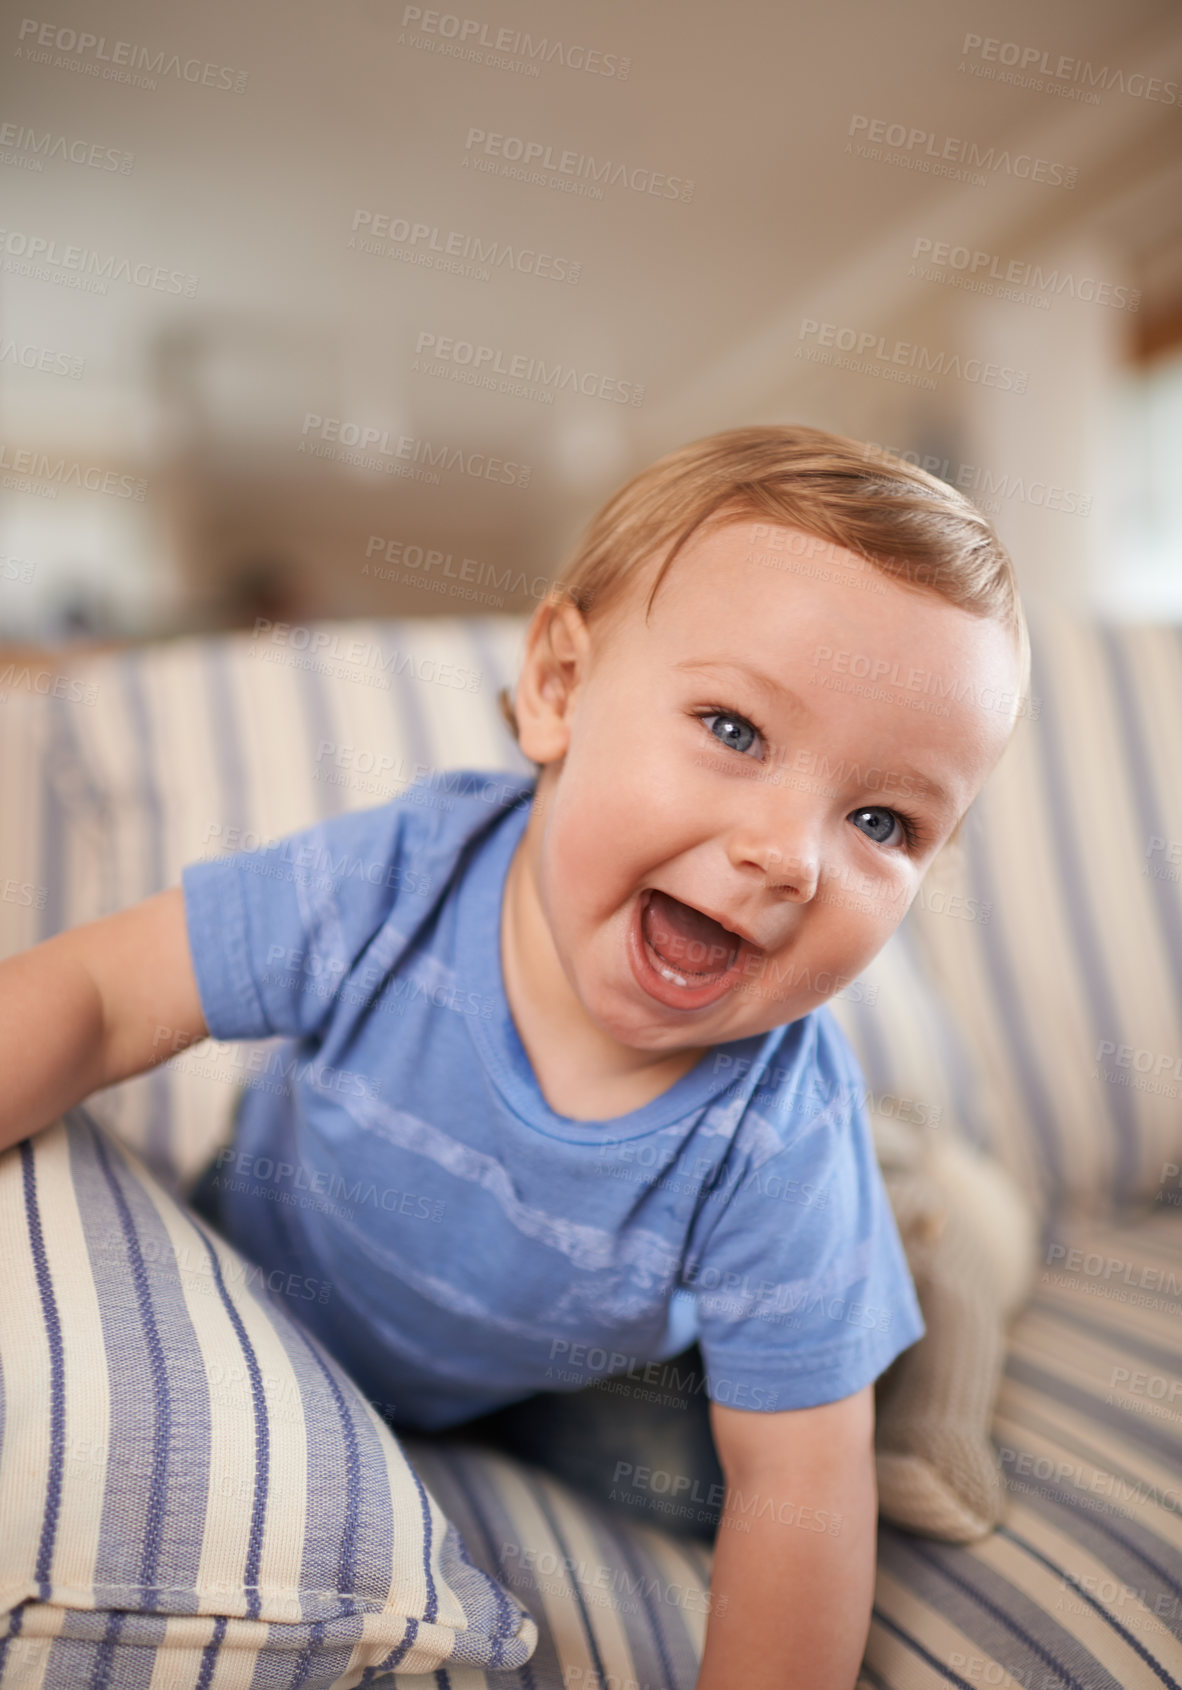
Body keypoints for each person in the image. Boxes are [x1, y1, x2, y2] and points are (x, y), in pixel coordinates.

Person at [0, 425, 1030, 1690]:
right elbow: (100, 996)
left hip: (569, 1365)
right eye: (735, 728)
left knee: (730, 1475)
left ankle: (939, 1254)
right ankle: (917, 1195)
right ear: (558, 687)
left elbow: (797, 1486)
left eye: (883, 819)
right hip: (298, 1268)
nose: (789, 854)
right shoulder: (395, 882)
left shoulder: (779, 1129)